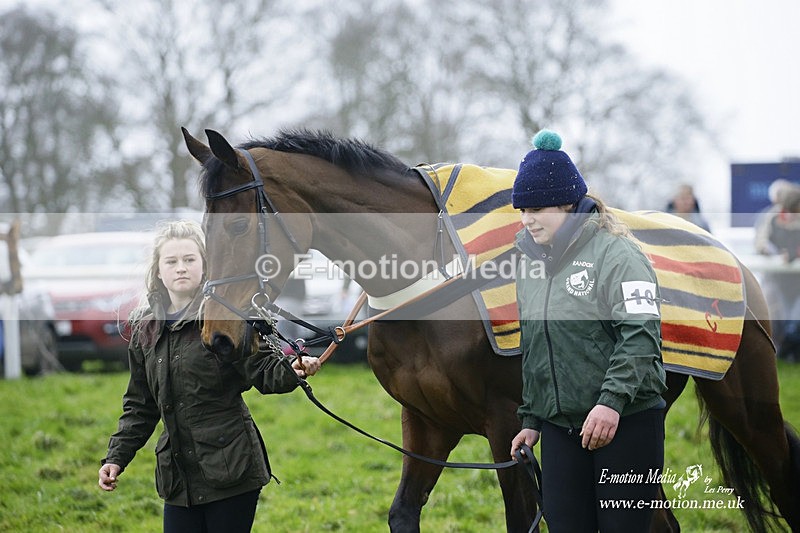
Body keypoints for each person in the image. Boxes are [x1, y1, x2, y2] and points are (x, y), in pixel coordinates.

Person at [98, 220, 320, 533]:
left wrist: (292, 370)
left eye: (190, 260)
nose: (181, 268)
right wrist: (116, 457)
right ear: (158, 271)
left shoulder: (224, 320)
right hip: (179, 478)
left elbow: (264, 371)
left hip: (232, 470)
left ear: (206, 266)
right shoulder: (145, 328)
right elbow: (140, 405)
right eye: (171, 261)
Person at [509, 130, 667, 532]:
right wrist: (531, 416)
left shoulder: (619, 254)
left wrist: (611, 403)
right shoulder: (528, 262)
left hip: (627, 423)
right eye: (521, 209)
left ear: (567, 203)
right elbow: (535, 344)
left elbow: (642, 334)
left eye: (537, 208)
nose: (527, 220)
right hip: (560, 429)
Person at [764, 188, 800, 362]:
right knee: (784, 322)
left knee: (794, 322)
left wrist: (792, 254)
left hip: (797, 283)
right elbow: (764, 243)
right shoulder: (773, 220)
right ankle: (784, 356)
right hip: (780, 281)